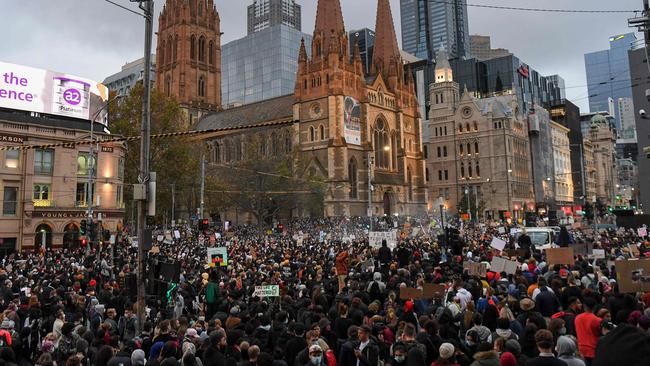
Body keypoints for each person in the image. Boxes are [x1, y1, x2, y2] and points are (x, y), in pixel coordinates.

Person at [574, 298, 600, 365]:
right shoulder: (597, 320)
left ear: (584, 306)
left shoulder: (577, 318)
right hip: (594, 349)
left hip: (581, 349)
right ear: (595, 307)